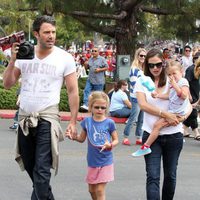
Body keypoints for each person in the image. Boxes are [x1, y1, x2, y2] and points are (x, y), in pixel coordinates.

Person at [3, 15, 79, 200]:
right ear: (36, 34)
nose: (51, 36)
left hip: (47, 118)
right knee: (31, 167)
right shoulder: (25, 54)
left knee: (42, 169)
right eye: (46, 32)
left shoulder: (64, 58)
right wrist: (13, 60)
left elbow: (72, 91)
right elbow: (7, 83)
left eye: (53, 32)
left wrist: (73, 121)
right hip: (25, 119)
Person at [133, 48, 192, 200]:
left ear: (163, 63)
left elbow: (189, 103)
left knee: (171, 176)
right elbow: (143, 105)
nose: (155, 68)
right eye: (151, 65)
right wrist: (165, 114)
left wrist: (182, 117)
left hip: (173, 135)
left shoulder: (174, 79)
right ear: (146, 65)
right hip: (151, 134)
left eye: (158, 64)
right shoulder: (142, 80)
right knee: (153, 176)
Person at [66, 91, 118, 200]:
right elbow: (81, 139)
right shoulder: (87, 122)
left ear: (106, 108)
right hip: (92, 161)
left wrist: (110, 145)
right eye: (96, 107)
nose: (100, 110)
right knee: (92, 190)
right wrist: (74, 137)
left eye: (103, 108)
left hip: (106, 161)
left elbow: (116, 140)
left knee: (99, 190)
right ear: (91, 107)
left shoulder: (109, 123)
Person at [132, 60, 191, 156]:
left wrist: (175, 85)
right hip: (173, 112)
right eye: (169, 74)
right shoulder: (173, 84)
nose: (172, 76)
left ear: (181, 71)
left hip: (177, 113)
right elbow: (168, 96)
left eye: (174, 73)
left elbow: (184, 95)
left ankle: (146, 146)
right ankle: (146, 146)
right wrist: (158, 95)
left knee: (157, 126)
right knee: (157, 126)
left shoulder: (183, 82)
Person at [122, 48, 147, 146]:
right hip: (136, 97)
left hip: (144, 97)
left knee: (141, 119)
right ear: (137, 56)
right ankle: (125, 136)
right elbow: (133, 83)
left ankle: (138, 137)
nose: (143, 58)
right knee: (133, 118)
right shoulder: (134, 69)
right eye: (141, 55)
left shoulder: (144, 69)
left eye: (145, 56)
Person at [80, 47, 108, 111]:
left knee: (98, 95)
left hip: (99, 80)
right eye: (93, 51)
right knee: (86, 90)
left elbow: (107, 67)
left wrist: (99, 70)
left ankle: (99, 107)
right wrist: (85, 64)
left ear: (98, 52)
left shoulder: (102, 59)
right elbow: (87, 68)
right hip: (90, 79)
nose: (94, 52)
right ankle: (86, 104)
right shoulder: (90, 59)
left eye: (95, 51)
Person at [183, 52, 200, 140]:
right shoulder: (190, 69)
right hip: (191, 95)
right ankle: (196, 132)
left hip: (197, 95)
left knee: (191, 114)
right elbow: (186, 83)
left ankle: (184, 129)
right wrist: (188, 95)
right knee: (193, 114)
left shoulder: (198, 70)